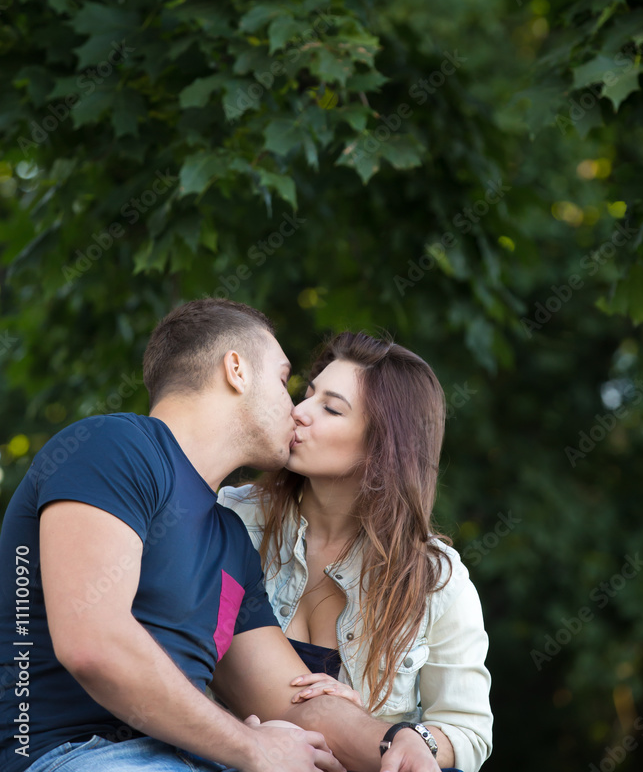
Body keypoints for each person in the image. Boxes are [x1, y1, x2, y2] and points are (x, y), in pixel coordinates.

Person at [0, 299, 443, 772]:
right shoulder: (115, 448)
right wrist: (250, 746)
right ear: (236, 370)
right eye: (283, 379)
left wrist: (397, 742)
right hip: (69, 755)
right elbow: (92, 644)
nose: (295, 410)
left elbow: (292, 701)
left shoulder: (229, 540)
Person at [218, 332, 493, 772]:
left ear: (382, 447)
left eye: (330, 408)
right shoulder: (229, 518)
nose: (299, 412)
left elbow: (468, 732)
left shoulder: (435, 580)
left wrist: (372, 730)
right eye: (306, 394)